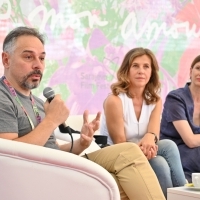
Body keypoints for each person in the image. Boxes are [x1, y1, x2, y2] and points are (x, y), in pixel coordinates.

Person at [0, 26, 166, 200]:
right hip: (41, 177)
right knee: (127, 161)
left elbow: (51, 150)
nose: (38, 65)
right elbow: (9, 156)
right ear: (6, 59)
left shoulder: (38, 103)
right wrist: (51, 121)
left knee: (127, 177)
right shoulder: (3, 97)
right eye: (28, 57)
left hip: (56, 166)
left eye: (41, 58)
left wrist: (81, 143)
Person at [100, 47, 186, 198]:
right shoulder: (114, 100)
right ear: (126, 70)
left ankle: (182, 195)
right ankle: (183, 194)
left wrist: (150, 137)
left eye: (146, 66)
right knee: (160, 161)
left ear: (152, 72)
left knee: (167, 149)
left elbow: (153, 134)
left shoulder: (155, 100)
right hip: (119, 154)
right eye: (135, 66)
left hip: (142, 151)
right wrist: (149, 141)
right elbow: (120, 144)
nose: (141, 71)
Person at [160, 55, 200, 183]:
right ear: (190, 71)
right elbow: (190, 141)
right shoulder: (176, 98)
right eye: (198, 68)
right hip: (177, 159)